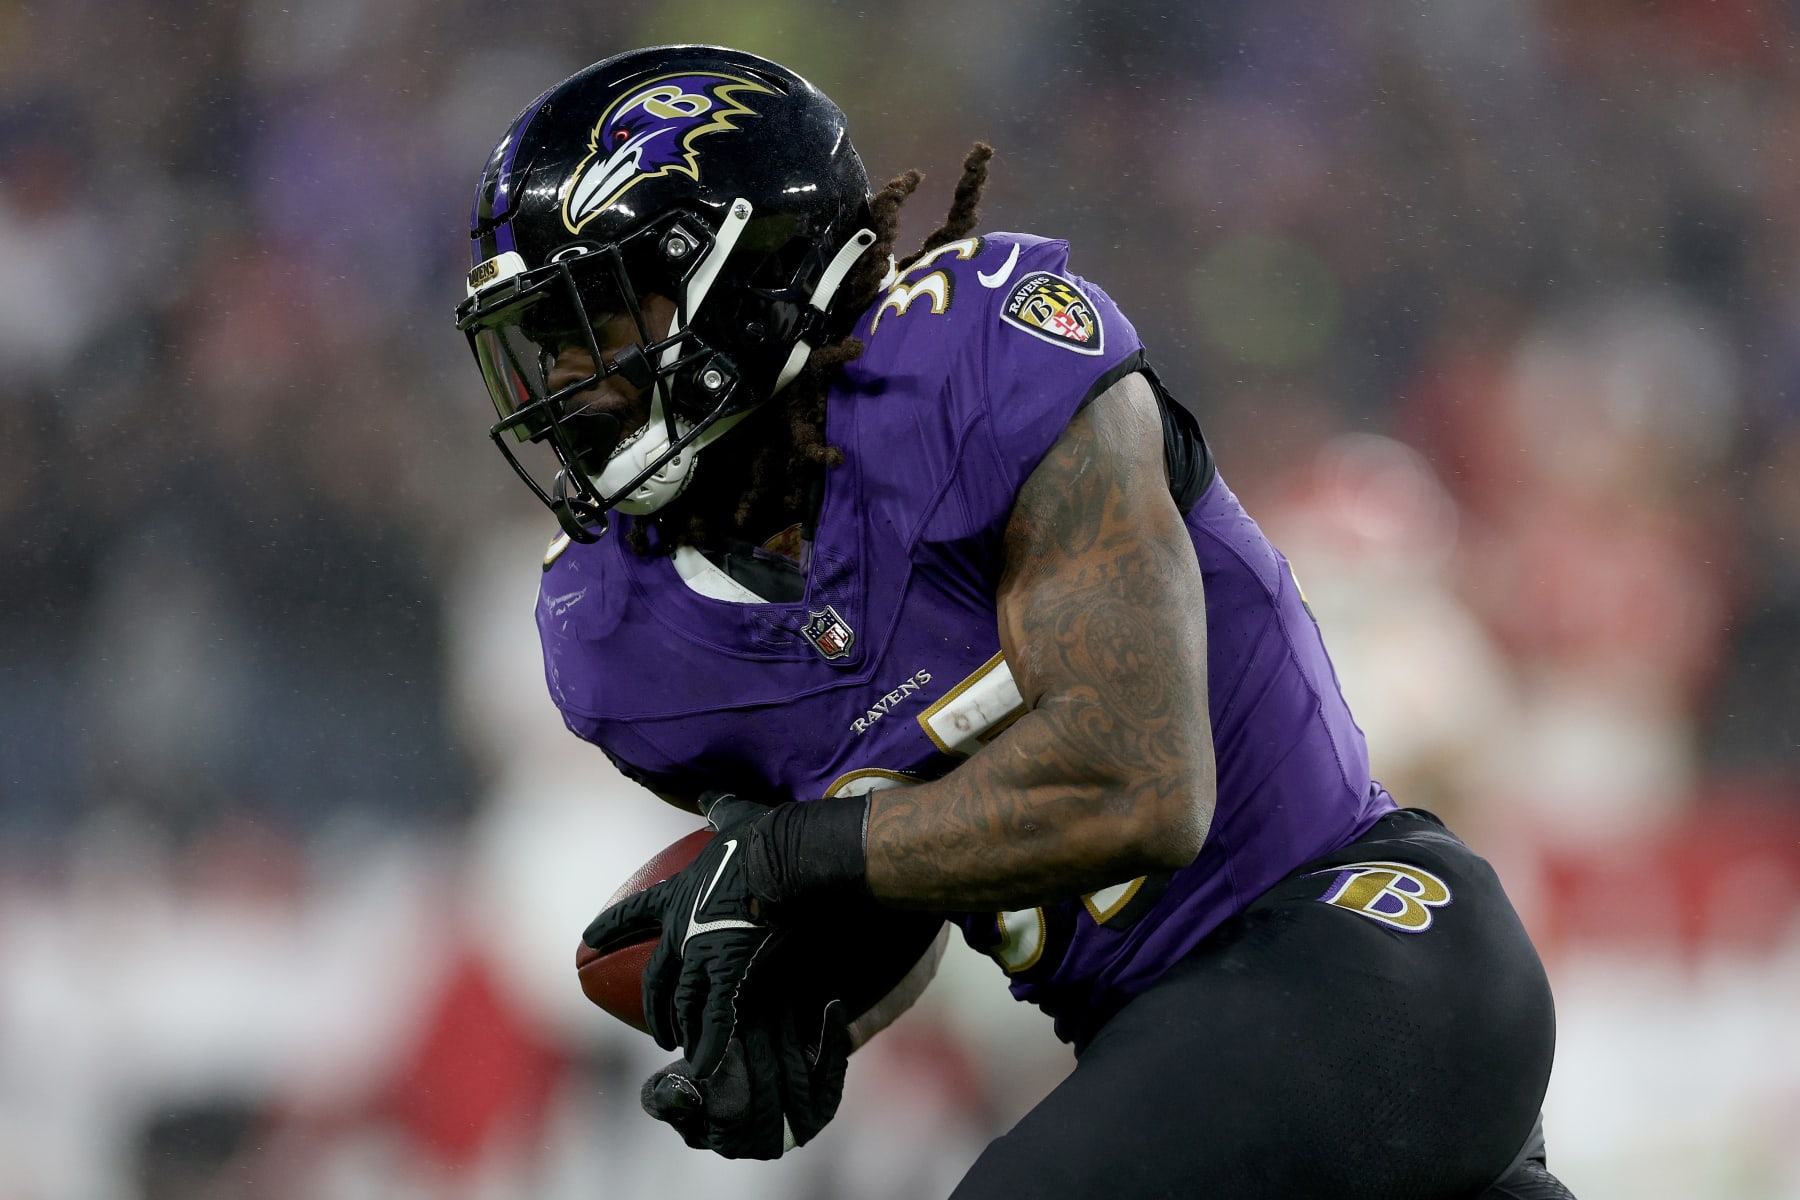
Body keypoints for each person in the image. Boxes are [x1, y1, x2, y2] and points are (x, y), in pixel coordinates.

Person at [454, 44, 1575, 1198]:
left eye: (599, 318)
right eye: (546, 341)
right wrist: (791, 994)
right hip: (1188, 1060)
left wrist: (794, 859)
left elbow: (1136, 784)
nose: (569, 381)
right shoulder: (618, 636)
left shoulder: (977, 358)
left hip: (1361, 946)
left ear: (743, 278)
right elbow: (913, 879)